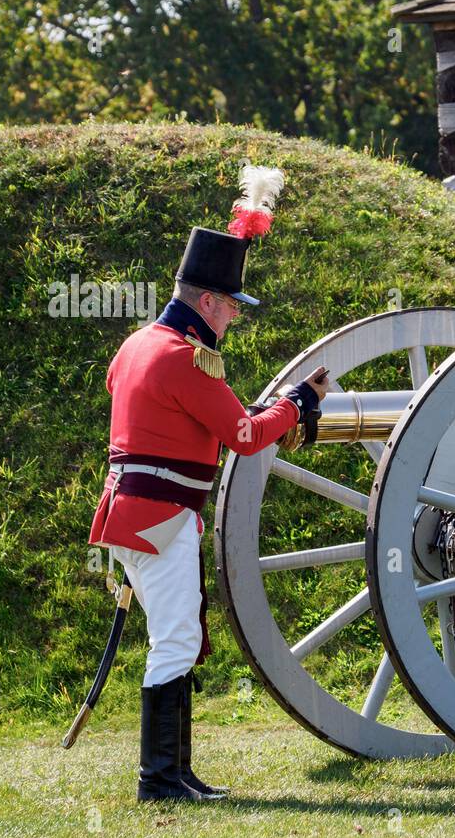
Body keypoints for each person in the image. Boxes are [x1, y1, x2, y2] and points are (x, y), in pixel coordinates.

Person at [88, 166, 329, 802]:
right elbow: (245, 436)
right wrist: (299, 402)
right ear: (207, 303)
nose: (232, 323)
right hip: (158, 515)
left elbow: (129, 398)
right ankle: (159, 778)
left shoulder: (139, 344)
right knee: (175, 639)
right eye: (230, 309)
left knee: (177, 637)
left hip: (136, 512)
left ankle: (177, 773)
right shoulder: (182, 357)